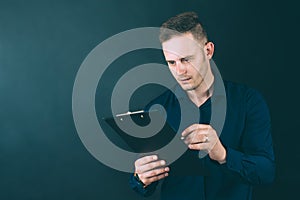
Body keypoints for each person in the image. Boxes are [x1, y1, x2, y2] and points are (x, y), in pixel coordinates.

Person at [129, 11, 275, 199]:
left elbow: (266, 173)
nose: (179, 70)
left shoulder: (248, 102)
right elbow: (145, 186)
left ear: (208, 51)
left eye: (186, 60)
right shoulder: (156, 109)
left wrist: (223, 154)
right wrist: (141, 178)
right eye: (171, 62)